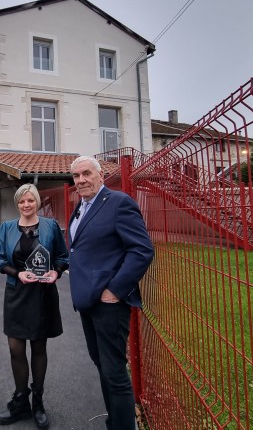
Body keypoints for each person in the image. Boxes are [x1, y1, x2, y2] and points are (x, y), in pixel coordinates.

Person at [67, 155, 154, 430]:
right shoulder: (81, 206)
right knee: (102, 366)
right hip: (88, 303)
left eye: (86, 173)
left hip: (109, 305)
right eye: (76, 176)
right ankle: (114, 422)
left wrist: (115, 290)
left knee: (114, 372)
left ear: (101, 176)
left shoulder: (118, 203)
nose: (81, 180)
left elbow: (142, 250)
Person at [0, 183, 69, 428]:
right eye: (22, 201)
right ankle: (20, 401)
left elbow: (62, 257)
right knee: (15, 348)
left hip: (42, 295)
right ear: (17, 204)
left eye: (30, 200)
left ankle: (37, 402)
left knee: (38, 347)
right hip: (16, 293)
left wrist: (57, 272)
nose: (26, 205)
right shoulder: (7, 228)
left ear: (37, 202)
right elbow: (0, 259)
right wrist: (17, 273)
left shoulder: (50, 226)